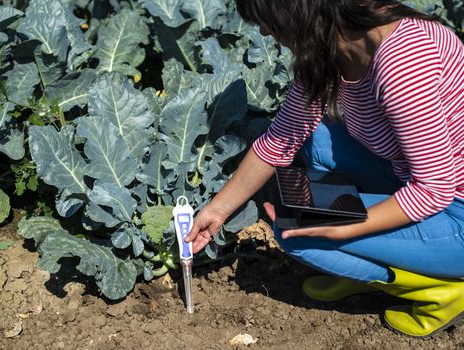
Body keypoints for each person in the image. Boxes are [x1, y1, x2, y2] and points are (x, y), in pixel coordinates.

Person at [185, 0, 464, 338]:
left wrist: (345, 229)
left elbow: (434, 188)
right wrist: (217, 210)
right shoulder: (335, 44)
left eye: (268, 20)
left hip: (454, 214)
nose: (263, 31)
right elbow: (281, 140)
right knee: (316, 141)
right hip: (414, 177)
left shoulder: (404, 66)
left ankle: (440, 291)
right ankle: (375, 256)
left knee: (296, 234)